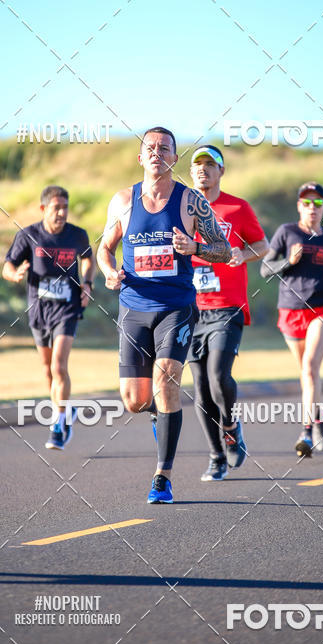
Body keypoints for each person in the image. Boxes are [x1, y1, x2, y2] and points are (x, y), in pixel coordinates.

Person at [97, 127, 231, 504]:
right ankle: (162, 414)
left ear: (174, 158)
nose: (157, 152)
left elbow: (224, 250)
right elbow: (104, 248)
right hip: (133, 307)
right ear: (140, 157)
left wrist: (195, 247)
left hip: (176, 307)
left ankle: (162, 478)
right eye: (150, 148)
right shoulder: (123, 201)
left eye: (165, 148)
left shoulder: (191, 202)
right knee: (135, 401)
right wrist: (108, 272)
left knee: (167, 378)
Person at [187, 146, 268, 481]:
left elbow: (262, 245)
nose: (203, 169)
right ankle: (216, 456)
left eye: (210, 164)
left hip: (227, 307)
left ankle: (231, 427)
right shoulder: (180, 208)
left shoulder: (237, 207)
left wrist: (242, 254)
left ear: (221, 171)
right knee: (201, 387)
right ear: (190, 172)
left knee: (219, 376)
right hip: (190, 309)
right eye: (198, 165)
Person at [260, 182, 323, 457]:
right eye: (306, 202)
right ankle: (319, 416)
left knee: (311, 367)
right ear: (299, 206)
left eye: (317, 203)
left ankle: (306, 430)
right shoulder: (286, 232)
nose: (312, 207)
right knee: (306, 372)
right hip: (291, 310)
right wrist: (288, 261)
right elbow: (265, 269)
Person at [2, 185, 95, 450]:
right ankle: (65, 409)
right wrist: (15, 274)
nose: (62, 213)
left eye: (65, 208)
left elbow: (88, 259)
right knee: (47, 369)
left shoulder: (77, 235)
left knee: (59, 366)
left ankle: (58, 424)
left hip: (68, 308)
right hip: (39, 310)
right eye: (56, 208)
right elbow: (7, 266)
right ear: (43, 209)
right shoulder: (28, 235)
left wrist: (87, 283)